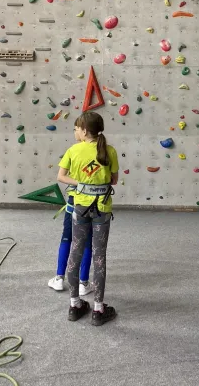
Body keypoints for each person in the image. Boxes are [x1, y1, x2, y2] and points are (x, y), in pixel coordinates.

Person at [57, 111, 119, 326]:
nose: (75, 132)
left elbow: (61, 176)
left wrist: (81, 183)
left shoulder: (73, 150)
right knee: (99, 256)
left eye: (76, 128)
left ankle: (75, 304)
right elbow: (114, 180)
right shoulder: (110, 150)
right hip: (102, 209)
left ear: (84, 131)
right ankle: (98, 309)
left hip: (80, 208)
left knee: (76, 251)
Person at [48, 188, 93, 296]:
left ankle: (59, 278)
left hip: (74, 200)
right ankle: (83, 283)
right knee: (87, 242)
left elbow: (62, 178)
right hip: (91, 201)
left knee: (66, 237)